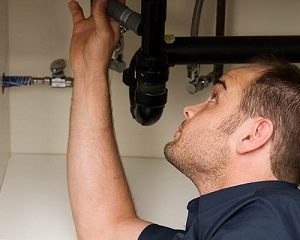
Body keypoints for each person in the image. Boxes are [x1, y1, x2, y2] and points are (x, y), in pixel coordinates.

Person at [67, 0, 300, 239]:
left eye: (215, 98)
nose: (189, 109)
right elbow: (106, 228)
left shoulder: (267, 224)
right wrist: (89, 67)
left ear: (253, 134)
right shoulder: (256, 221)